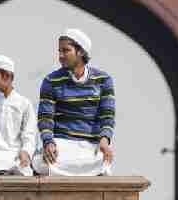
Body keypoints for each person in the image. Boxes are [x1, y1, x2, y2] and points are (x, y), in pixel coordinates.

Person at [32, 29, 115, 177]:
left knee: (104, 161)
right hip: (61, 144)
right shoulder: (51, 81)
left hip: (90, 146)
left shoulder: (103, 80)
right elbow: (45, 118)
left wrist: (104, 141)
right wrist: (48, 142)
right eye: (59, 51)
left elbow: (107, 116)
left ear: (81, 52)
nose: (61, 56)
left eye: (66, 51)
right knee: (40, 163)